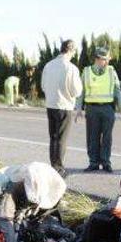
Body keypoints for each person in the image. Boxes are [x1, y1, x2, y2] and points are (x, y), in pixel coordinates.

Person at [41, 40, 82, 177]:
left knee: (53, 137)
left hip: (51, 105)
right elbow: (76, 91)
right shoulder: (71, 68)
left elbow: (43, 86)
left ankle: (53, 164)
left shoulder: (48, 65)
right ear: (71, 50)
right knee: (61, 138)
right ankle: (58, 169)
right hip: (64, 106)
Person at [79, 48, 121, 173]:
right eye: (105, 60)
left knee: (107, 137)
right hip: (91, 108)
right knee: (92, 137)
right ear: (98, 59)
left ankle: (106, 162)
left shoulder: (111, 71)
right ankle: (93, 163)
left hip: (108, 108)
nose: (107, 62)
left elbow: (117, 88)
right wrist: (78, 108)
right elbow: (81, 92)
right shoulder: (86, 71)